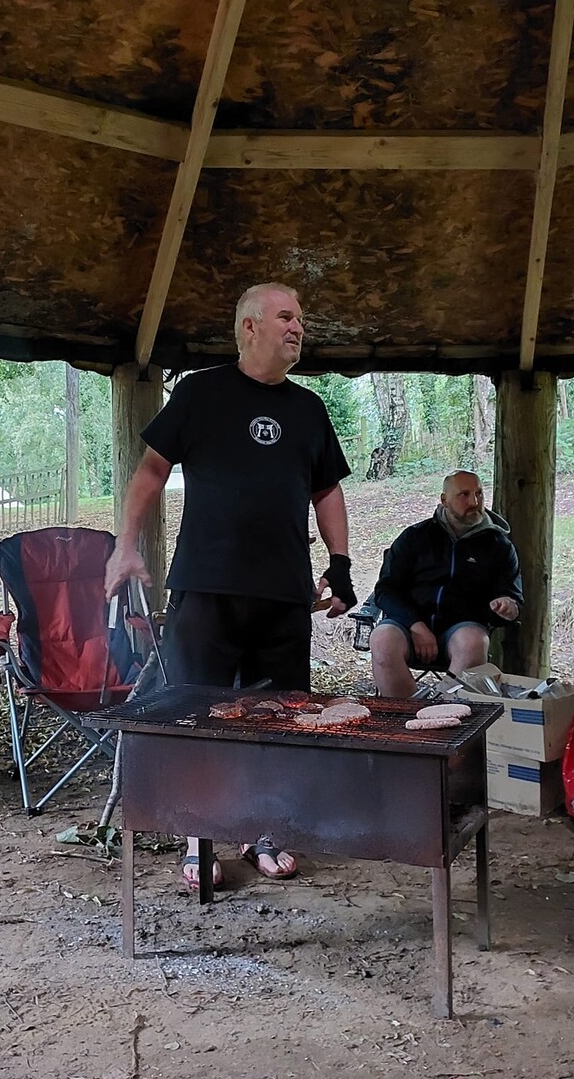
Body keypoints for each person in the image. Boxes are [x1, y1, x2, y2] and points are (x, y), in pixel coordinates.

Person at [103, 281, 357, 890]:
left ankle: (265, 829)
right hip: (207, 587)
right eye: (286, 316)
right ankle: (200, 837)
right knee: (199, 714)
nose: (298, 327)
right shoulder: (201, 392)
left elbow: (327, 491)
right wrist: (125, 545)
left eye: (301, 319)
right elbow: (151, 470)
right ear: (249, 327)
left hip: (284, 592)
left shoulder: (309, 409)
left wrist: (342, 564)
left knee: (281, 717)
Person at [368, 471, 522, 697]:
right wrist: (416, 625)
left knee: (474, 642)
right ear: (444, 500)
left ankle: (448, 709)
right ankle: (404, 712)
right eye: (464, 494)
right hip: (408, 626)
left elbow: (512, 598)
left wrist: (506, 608)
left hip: (461, 629)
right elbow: (385, 590)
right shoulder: (415, 537)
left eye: (479, 494)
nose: (474, 502)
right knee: (382, 639)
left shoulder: (499, 546)